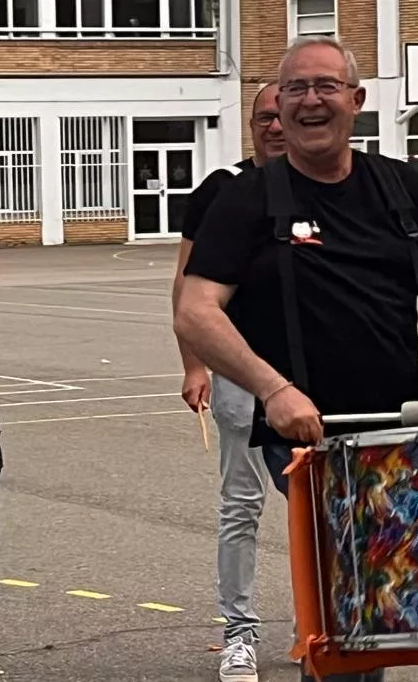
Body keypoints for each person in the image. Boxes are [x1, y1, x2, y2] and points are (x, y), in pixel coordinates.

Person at [174, 36, 418, 682]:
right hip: (305, 437)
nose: (310, 101)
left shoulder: (402, 192)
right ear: (278, 106)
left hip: (397, 429)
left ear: (356, 99)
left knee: (373, 609)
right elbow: (195, 309)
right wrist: (274, 390)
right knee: (349, 600)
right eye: (296, 89)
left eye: (325, 86)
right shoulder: (247, 200)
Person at [172, 82, 283, 682]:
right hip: (239, 371)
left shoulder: (324, 187)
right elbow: (186, 284)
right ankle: (239, 633)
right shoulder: (221, 192)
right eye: (261, 117)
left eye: (278, 116)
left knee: (323, 510)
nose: (272, 125)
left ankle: (330, 623)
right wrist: (194, 363)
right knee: (241, 506)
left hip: (312, 377)